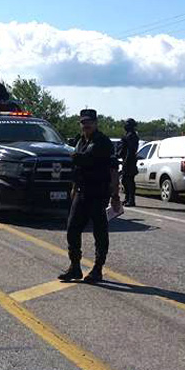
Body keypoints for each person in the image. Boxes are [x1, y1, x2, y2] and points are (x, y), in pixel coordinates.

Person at [59, 109, 121, 283]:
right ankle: (75, 267)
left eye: (89, 122)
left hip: (98, 192)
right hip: (81, 191)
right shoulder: (80, 141)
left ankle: (97, 268)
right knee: (72, 228)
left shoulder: (103, 142)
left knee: (99, 232)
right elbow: (77, 168)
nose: (86, 125)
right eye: (83, 122)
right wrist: (73, 187)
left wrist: (115, 195)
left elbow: (113, 169)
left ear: (96, 123)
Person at [119, 118, 140, 207]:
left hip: (130, 161)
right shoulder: (127, 135)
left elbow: (130, 150)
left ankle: (131, 200)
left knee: (129, 181)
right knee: (124, 180)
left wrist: (126, 161)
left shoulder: (132, 136)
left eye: (127, 124)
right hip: (126, 160)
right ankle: (127, 198)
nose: (125, 125)